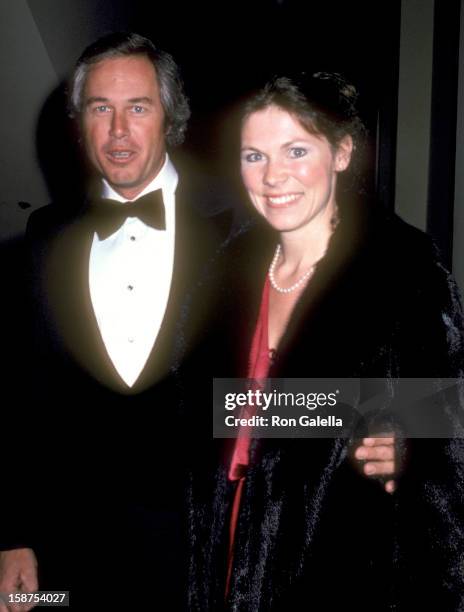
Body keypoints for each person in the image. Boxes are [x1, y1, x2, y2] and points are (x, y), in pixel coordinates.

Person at [182, 73, 464, 610]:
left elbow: (446, 435)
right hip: (220, 554)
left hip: (343, 572)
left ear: (341, 152)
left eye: (295, 150)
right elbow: (204, 416)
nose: (273, 177)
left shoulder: (402, 269)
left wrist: (406, 446)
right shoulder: (225, 271)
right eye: (253, 156)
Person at [0, 31, 230, 611]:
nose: (119, 131)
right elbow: (25, 396)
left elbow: (292, 371)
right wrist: (14, 539)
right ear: (79, 123)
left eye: (138, 107)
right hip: (74, 561)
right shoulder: (45, 234)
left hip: (204, 555)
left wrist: (392, 416)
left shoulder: (242, 228)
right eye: (101, 108)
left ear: (171, 118)